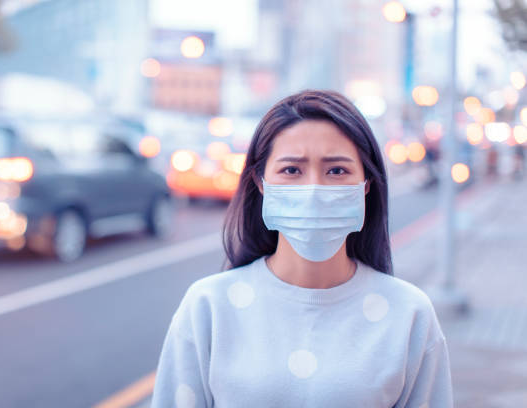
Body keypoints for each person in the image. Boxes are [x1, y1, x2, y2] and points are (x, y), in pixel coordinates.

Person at [151, 90, 453, 407]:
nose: (314, 190)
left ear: (366, 185)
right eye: (291, 170)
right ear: (260, 182)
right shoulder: (207, 308)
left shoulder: (409, 314)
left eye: (337, 171)